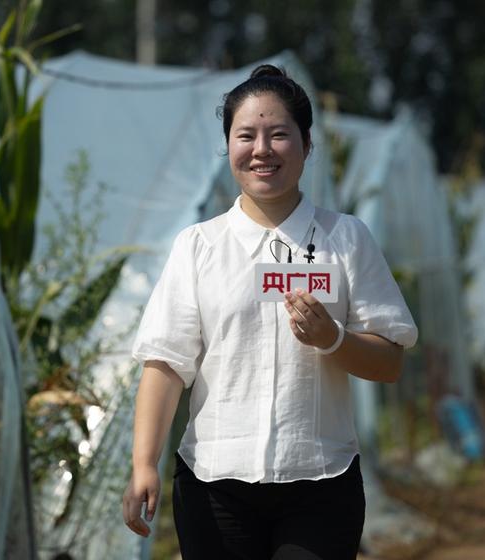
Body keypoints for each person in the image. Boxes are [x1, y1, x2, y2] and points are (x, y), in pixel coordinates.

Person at [122, 64, 418, 559]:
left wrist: (334, 339)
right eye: (246, 135)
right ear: (228, 147)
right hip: (214, 482)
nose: (262, 149)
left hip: (321, 482)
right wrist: (143, 464)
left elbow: (390, 362)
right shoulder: (199, 246)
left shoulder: (345, 239)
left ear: (306, 144)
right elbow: (165, 364)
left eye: (279, 134)